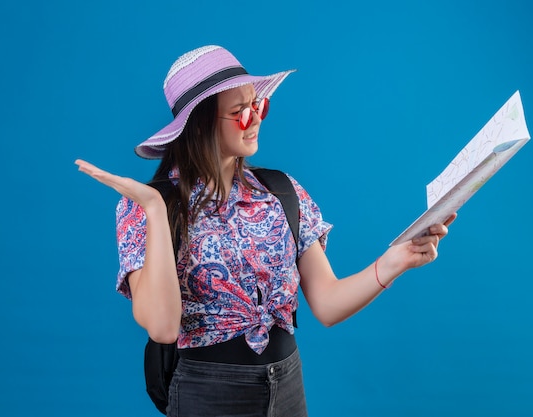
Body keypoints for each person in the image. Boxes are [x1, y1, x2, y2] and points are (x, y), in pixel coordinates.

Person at [75, 45, 456, 417]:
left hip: (288, 383)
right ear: (201, 124)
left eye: (258, 106)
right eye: (240, 112)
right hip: (208, 394)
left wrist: (395, 261)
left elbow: (326, 304)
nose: (255, 119)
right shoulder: (144, 208)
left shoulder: (281, 192)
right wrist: (157, 211)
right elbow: (161, 327)